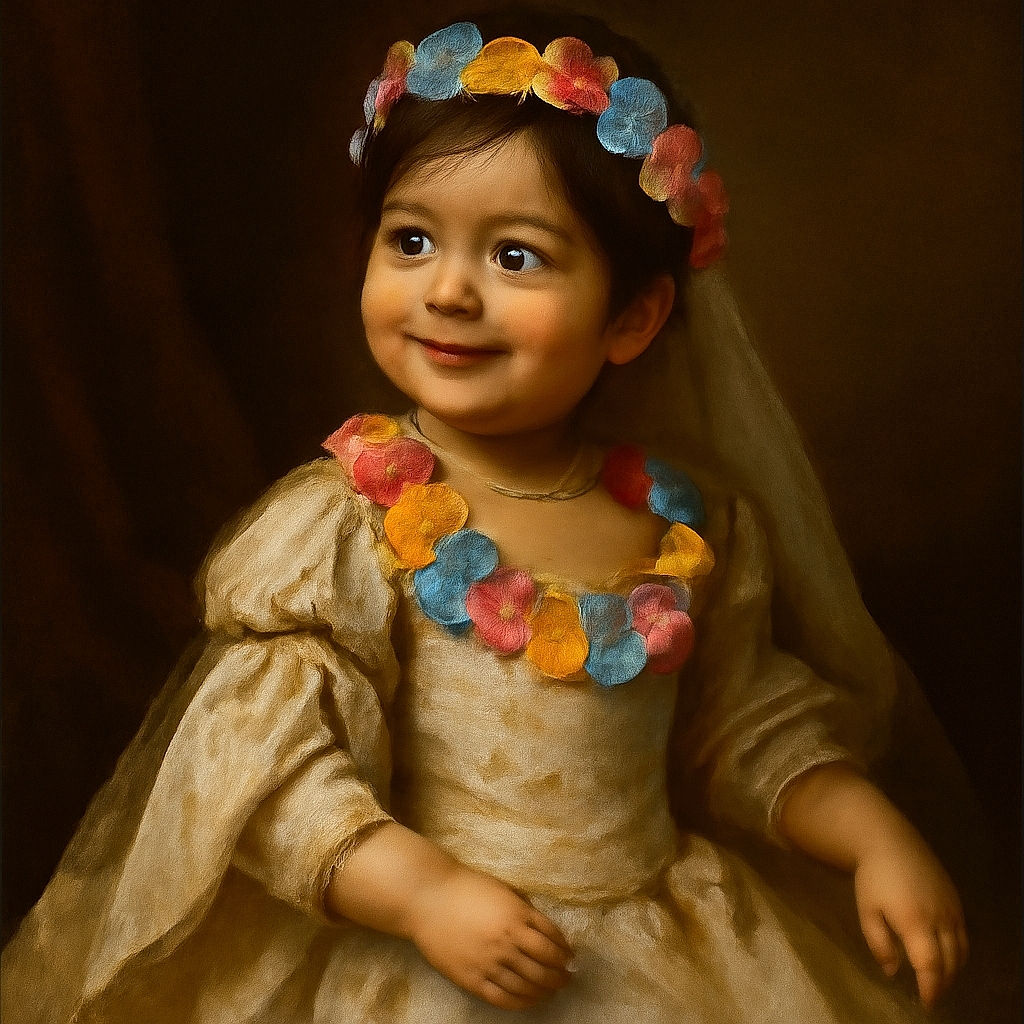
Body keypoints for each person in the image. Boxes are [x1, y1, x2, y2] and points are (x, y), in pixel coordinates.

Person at [3, 9, 972, 1022]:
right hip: (428, 954)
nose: (450, 292)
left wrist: (870, 833)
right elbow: (259, 766)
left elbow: (738, 728)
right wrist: (421, 891)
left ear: (632, 316)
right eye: (412, 240)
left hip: (660, 955)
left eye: (516, 258)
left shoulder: (690, 526)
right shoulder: (344, 523)